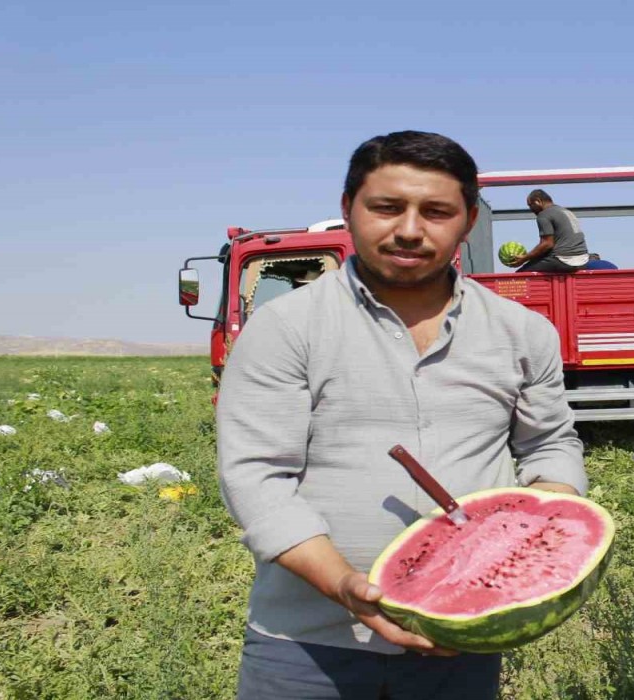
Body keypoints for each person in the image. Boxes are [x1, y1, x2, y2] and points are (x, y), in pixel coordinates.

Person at [216, 130, 586, 700]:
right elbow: (257, 474)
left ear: (468, 221)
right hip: (307, 643)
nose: (410, 230)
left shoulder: (522, 332)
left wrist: (543, 527)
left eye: (436, 212)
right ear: (349, 209)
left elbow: (549, 444)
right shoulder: (286, 328)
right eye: (386, 207)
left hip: (462, 636)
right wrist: (342, 583)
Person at [507, 189, 589, 272]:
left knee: (520, 275)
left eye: (530, 205)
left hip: (563, 260)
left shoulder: (544, 214)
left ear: (538, 201)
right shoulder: (566, 211)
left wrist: (524, 258)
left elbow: (547, 244)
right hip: (583, 259)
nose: (530, 209)